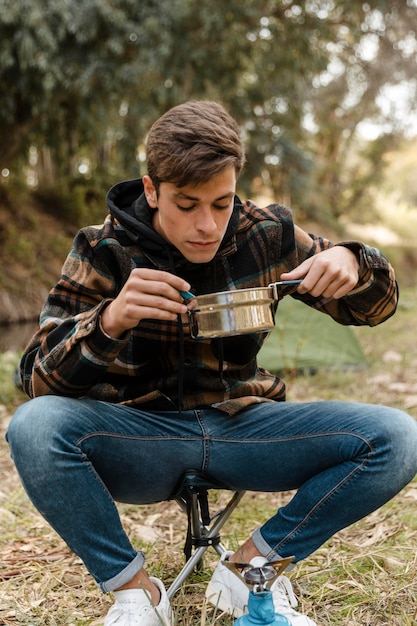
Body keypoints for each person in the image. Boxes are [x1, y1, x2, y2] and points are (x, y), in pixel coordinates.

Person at [6, 100, 417, 626]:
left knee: (397, 438)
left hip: (245, 428)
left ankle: (252, 570)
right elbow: (34, 377)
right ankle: (137, 594)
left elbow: (378, 308)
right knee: (34, 427)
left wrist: (356, 262)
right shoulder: (102, 247)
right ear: (152, 189)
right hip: (140, 439)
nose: (207, 226)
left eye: (221, 204)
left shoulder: (265, 233)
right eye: (187, 204)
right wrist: (109, 321)